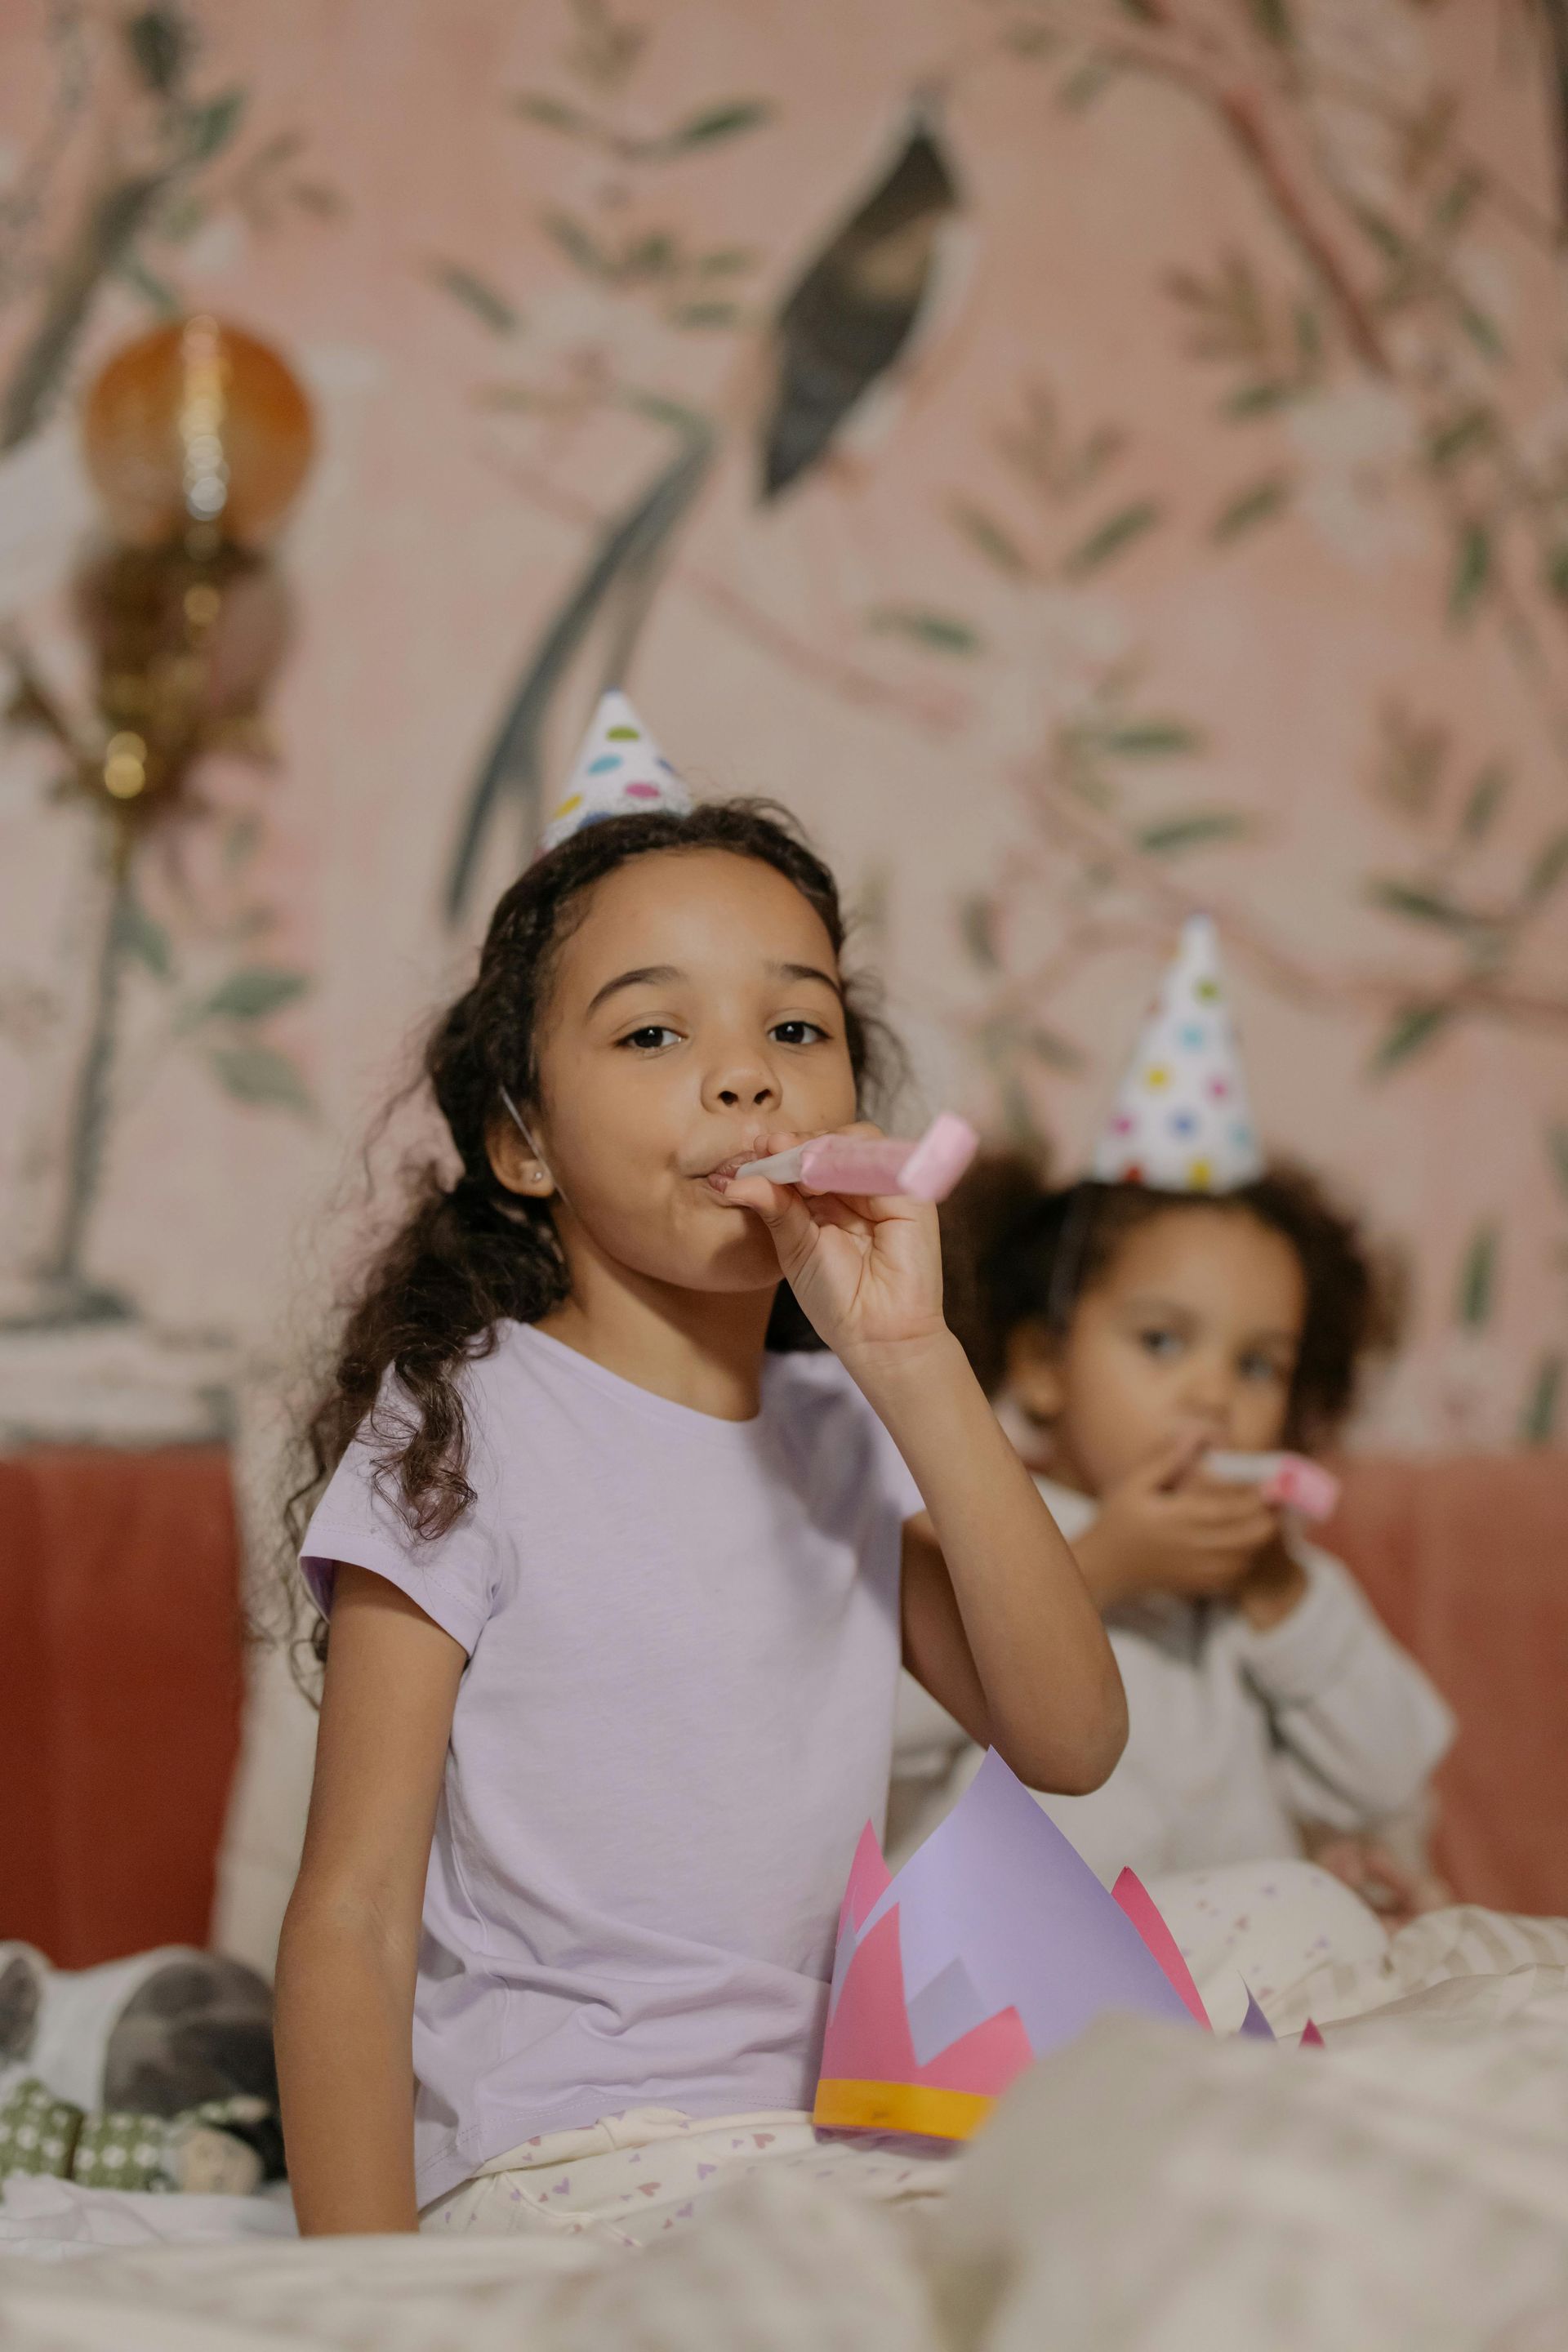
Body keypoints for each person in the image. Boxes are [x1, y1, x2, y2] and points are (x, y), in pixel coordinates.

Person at [272, 694, 1125, 2244]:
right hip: (565, 2155)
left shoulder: (843, 1430)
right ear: (523, 1142)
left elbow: (1071, 1740)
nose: (745, 1079)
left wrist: (913, 1362)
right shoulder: (463, 1430)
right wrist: (369, 2305)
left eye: (795, 1029)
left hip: (817, 2141)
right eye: (653, 1033)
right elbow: (353, 1916)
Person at [893, 918, 1455, 1943]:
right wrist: (1101, 1567)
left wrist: (1280, 1593)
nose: (1212, 1396)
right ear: (1043, 1365)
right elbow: (874, 1737)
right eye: (1162, 1342)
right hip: (1022, 1960)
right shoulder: (972, 1525)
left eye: (1257, 1365)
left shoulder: (1269, 1570)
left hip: (1237, 1970)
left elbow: (1392, 1776)